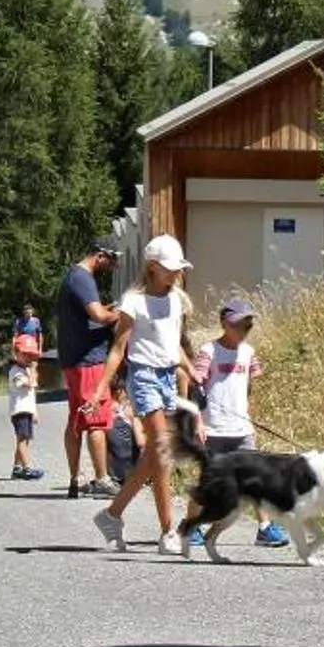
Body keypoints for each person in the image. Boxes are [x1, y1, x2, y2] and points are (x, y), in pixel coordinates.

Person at [91, 234, 199, 556]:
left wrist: (189, 367)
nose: (176, 274)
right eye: (170, 268)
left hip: (167, 376)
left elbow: (173, 342)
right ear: (153, 268)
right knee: (163, 450)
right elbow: (118, 349)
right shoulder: (133, 301)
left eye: (178, 268)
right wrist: (100, 388)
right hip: (143, 377)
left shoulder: (177, 299)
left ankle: (112, 514)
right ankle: (168, 532)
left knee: (155, 454)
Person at [191, 298, 287, 549]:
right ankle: (193, 526)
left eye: (248, 325)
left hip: (242, 429)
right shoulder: (208, 351)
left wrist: (248, 414)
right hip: (213, 428)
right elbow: (195, 387)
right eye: (239, 324)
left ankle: (265, 529)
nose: (244, 330)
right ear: (224, 323)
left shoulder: (249, 352)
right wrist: (198, 422)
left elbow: (250, 385)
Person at [56, 237, 123, 499]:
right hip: (88, 359)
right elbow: (99, 316)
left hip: (72, 359)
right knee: (96, 419)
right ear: (100, 256)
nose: (111, 266)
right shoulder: (83, 278)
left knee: (76, 417)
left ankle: (75, 478)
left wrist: (108, 310)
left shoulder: (73, 277)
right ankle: (102, 478)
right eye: (111, 260)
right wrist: (125, 312)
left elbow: (87, 314)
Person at [5, 307, 47, 482]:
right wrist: (32, 373)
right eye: (26, 355)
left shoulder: (28, 369)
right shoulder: (16, 371)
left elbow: (33, 390)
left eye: (32, 356)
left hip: (27, 409)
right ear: (17, 354)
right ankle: (27, 468)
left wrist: (34, 411)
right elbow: (25, 385)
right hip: (19, 410)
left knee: (25, 439)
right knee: (22, 438)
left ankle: (17, 467)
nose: (30, 359)